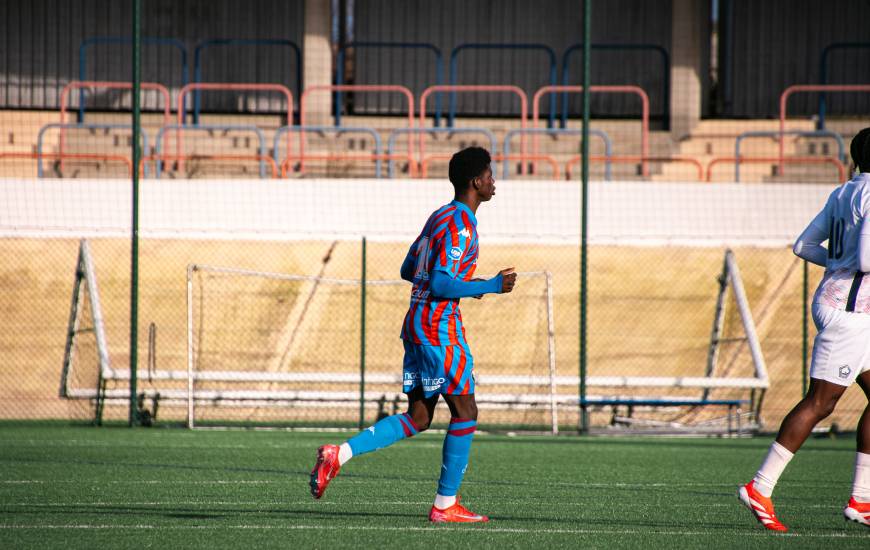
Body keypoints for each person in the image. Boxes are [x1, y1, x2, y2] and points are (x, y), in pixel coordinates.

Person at [309, 146, 517, 523]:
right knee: (466, 411)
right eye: (489, 175)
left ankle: (338, 455)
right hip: (440, 330)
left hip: (417, 324)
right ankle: (444, 505)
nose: (493, 182)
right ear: (475, 182)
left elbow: (410, 267)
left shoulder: (439, 216)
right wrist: (489, 284)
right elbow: (439, 281)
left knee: (420, 417)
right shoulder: (461, 224)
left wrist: (457, 283)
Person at [738, 128, 870, 531]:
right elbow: (866, 258)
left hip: (845, 306)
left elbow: (803, 246)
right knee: (821, 403)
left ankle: (861, 501)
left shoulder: (843, 191)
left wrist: (836, 265)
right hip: (850, 313)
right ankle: (759, 487)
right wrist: (847, 266)